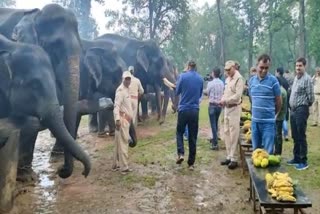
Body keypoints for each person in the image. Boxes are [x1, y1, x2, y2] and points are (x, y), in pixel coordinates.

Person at [248, 54, 282, 154]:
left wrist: (273, 114)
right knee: (256, 152)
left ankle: (268, 170)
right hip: (255, 122)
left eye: (266, 68)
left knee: (268, 152)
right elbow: (251, 97)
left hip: (268, 123)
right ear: (257, 66)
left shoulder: (273, 81)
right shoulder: (251, 81)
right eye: (261, 67)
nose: (264, 70)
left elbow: (279, 101)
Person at [175, 60, 203, 170]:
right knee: (192, 136)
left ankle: (181, 153)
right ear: (196, 67)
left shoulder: (182, 76)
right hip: (194, 110)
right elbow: (200, 94)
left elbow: (177, 92)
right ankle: (191, 163)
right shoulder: (200, 79)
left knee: (179, 132)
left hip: (183, 109)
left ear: (188, 66)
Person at [287, 57, 314, 170]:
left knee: (301, 135)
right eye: (297, 66)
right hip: (293, 110)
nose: (298, 68)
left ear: (304, 66)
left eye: (300, 66)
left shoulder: (307, 79)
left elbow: (311, 97)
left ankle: (303, 160)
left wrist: (304, 107)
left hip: (301, 109)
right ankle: (296, 157)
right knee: (295, 135)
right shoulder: (296, 78)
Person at [219, 60, 244, 169]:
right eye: (226, 70)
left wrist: (226, 101)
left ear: (234, 68)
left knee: (234, 133)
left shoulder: (239, 79)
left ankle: (234, 158)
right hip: (226, 109)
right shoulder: (227, 79)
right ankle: (229, 155)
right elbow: (225, 92)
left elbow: (237, 96)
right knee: (226, 132)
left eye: (229, 69)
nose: (228, 71)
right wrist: (222, 100)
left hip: (234, 108)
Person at [112, 71, 133, 174]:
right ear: (122, 79)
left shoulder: (127, 89)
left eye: (129, 79)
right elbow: (116, 106)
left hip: (125, 120)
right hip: (122, 120)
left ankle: (115, 164)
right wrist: (117, 119)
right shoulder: (120, 91)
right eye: (126, 79)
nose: (128, 81)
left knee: (118, 143)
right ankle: (124, 167)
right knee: (124, 143)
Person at [206, 67, 224, 150]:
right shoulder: (222, 83)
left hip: (212, 105)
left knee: (213, 124)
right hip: (219, 106)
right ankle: (215, 138)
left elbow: (207, 92)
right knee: (216, 123)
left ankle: (215, 143)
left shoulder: (210, 83)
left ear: (213, 73)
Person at [275, 67, 290, 141]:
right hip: (286, 100)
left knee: (281, 119)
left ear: (277, 72)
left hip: (280, 101)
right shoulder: (286, 81)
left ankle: (284, 133)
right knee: (284, 119)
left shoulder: (277, 80)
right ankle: (286, 134)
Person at [274, 77, 287, 155]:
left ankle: (278, 152)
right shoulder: (283, 90)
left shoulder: (280, 91)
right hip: (281, 115)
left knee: (278, 134)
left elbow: (280, 104)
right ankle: (277, 151)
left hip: (279, 116)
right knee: (277, 134)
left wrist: (275, 115)